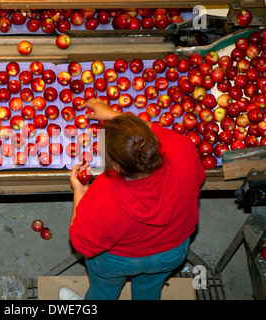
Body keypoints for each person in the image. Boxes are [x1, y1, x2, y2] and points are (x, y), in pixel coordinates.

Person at [59, 98, 206, 300]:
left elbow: (82, 244)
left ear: (116, 167)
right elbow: (151, 136)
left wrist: (79, 193)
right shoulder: (182, 149)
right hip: (171, 251)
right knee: (150, 289)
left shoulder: (104, 194)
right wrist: (114, 116)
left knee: (103, 291)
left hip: (117, 261)